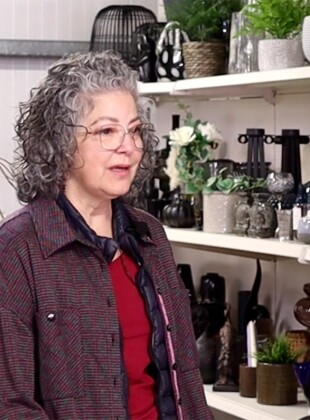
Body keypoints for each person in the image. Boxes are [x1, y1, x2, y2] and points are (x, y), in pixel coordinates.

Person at [0, 51, 211, 419]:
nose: (128, 147)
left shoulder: (150, 235)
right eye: (106, 131)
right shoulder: (18, 247)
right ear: (61, 142)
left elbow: (186, 378)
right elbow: (10, 405)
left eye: (134, 130)